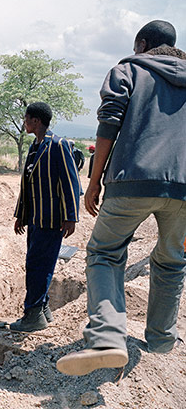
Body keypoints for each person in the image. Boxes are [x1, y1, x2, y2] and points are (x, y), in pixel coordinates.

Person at [57, 20, 186, 376]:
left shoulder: (128, 69)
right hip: (184, 191)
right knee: (173, 261)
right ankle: (161, 339)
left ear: (142, 44)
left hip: (131, 181)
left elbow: (108, 127)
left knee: (104, 253)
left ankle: (108, 338)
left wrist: (94, 180)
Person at [11, 102, 80, 332]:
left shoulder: (58, 145)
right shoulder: (35, 146)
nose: (24, 123)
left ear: (36, 121)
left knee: (39, 265)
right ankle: (42, 310)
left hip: (52, 219)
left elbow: (71, 181)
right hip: (36, 219)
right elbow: (27, 185)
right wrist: (21, 215)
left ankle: (33, 315)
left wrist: (71, 216)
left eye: (26, 119)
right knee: (36, 264)